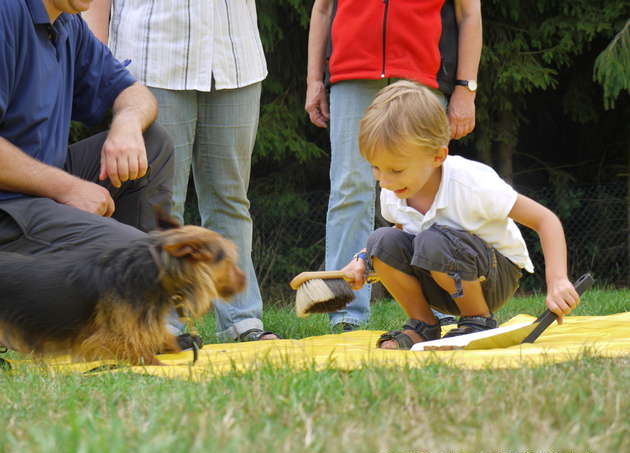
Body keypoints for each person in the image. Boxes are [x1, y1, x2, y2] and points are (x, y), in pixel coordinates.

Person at [84, 1, 279, 342]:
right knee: (160, 203)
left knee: (230, 199)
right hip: (152, 60)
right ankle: (161, 323)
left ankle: (243, 321)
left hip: (234, 57)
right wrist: (96, 52)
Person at [339, 80, 580, 349]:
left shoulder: (471, 184)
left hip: (494, 275)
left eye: (396, 170)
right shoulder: (393, 191)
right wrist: (363, 259)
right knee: (379, 241)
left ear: (437, 156)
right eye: (376, 168)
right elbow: (399, 232)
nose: (384, 180)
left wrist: (558, 281)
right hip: (439, 274)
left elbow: (545, 220)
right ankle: (423, 325)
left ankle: (478, 320)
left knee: (432, 241)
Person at [305, 0, 482, 331]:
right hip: (350, 73)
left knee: (429, 192)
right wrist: (314, 79)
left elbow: (469, 13)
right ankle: (345, 314)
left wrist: (465, 88)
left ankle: (441, 308)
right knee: (349, 189)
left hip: (423, 75)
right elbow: (323, 9)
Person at [0, 1, 174, 288]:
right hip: (9, 207)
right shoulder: (7, 12)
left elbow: (133, 92)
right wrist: (67, 188)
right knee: (136, 254)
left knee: (152, 143)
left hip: (40, 188)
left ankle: (143, 312)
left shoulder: (67, 22)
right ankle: (125, 309)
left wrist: (126, 124)